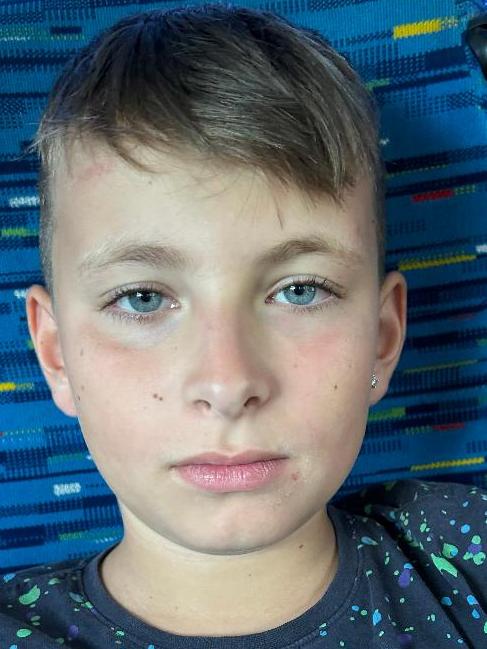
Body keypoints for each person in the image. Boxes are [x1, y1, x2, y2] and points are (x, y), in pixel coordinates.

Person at [1, 3, 485, 647]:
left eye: (300, 291)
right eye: (142, 298)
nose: (228, 385)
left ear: (383, 337)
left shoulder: (464, 557)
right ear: (56, 354)